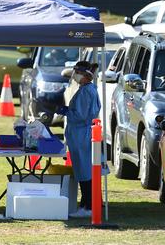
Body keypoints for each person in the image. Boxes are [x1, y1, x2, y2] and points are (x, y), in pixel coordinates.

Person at [57, 61, 101, 218]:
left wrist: (66, 111)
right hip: (81, 135)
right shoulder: (88, 89)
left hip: (81, 135)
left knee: (84, 173)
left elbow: (80, 116)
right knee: (84, 172)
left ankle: (88, 206)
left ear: (84, 75)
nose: (74, 75)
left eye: (77, 72)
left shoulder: (85, 92)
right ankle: (85, 204)